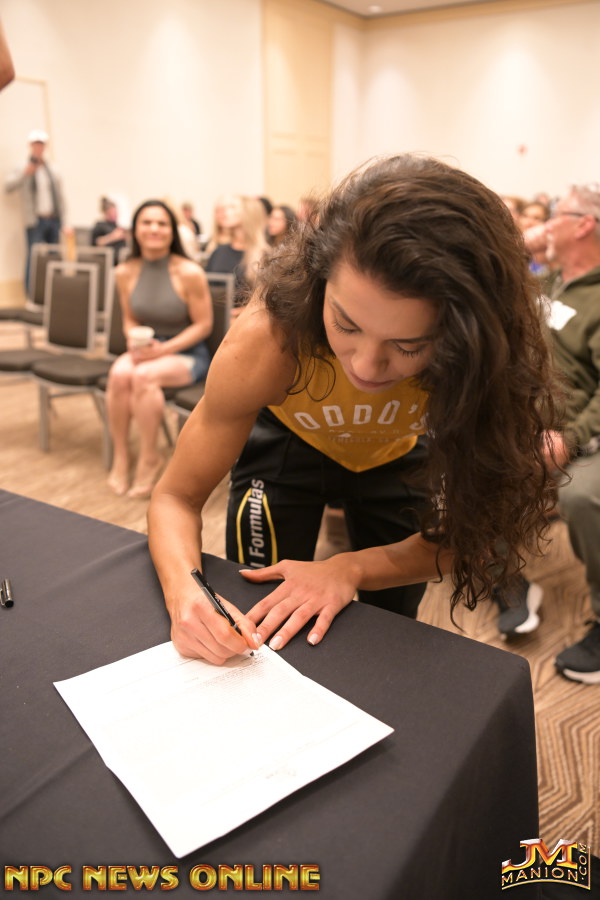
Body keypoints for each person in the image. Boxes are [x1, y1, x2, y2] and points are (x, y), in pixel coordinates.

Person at [147, 153, 560, 666]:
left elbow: (470, 534)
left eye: (408, 345)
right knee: (259, 614)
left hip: (397, 455)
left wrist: (351, 567)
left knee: (390, 628)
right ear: (320, 281)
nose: (366, 366)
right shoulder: (268, 340)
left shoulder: (481, 364)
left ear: (461, 336)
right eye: (346, 324)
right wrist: (184, 596)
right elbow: (176, 497)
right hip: (288, 446)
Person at [495, 183, 600, 685]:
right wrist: (526, 243)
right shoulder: (550, 282)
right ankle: (508, 582)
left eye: (557, 214)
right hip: (534, 429)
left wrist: (569, 438)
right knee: (472, 463)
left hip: (586, 436)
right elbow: (495, 276)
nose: (547, 223)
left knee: (582, 496)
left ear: (585, 224)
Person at [106, 199, 213, 499]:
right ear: (135, 230)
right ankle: (121, 454)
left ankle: (150, 456)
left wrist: (163, 350)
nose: (154, 229)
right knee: (118, 374)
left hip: (187, 352)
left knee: (143, 377)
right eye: (147, 222)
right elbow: (130, 319)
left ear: (172, 231)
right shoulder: (125, 271)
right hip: (148, 347)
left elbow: (203, 325)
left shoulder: (189, 272)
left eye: (162, 223)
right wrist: (132, 338)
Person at [4, 129, 69, 290]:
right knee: (33, 259)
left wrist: (65, 222)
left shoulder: (51, 169)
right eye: (36, 144)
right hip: (35, 221)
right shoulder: (22, 166)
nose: (39, 147)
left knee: (55, 257)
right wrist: (25, 173)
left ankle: (55, 291)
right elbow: (7, 187)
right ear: (31, 145)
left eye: (41, 144)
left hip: (53, 219)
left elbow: (60, 197)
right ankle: (30, 293)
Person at [205, 195, 269, 314]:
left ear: (248, 213)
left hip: (244, 320)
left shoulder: (265, 256)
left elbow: (267, 302)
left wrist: (237, 313)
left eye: (232, 207)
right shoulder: (219, 251)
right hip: (216, 318)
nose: (225, 212)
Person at [91, 196, 128, 265]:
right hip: (108, 259)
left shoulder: (115, 225)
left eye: (116, 212)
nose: (115, 214)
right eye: (113, 212)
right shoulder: (100, 225)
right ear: (106, 213)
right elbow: (96, 243)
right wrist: (113, 237)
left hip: (121, 257)